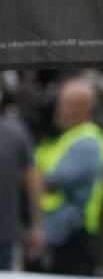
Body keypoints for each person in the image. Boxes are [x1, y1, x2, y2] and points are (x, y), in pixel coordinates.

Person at [29, 78, 103, 275]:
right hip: (62, 229)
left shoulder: (87, 141)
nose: (59, 109)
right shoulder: (69, 136)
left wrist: (33, 177)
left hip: (73, 230)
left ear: (82, 108)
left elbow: (52, 179)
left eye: (64, 103)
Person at [0, 104, 43, 270]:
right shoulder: (15, 130)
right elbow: (33, 178)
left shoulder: (13, 131)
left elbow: (33, 178)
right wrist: (37, 227)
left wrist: (37, 227)